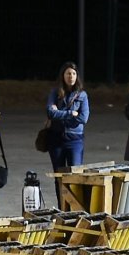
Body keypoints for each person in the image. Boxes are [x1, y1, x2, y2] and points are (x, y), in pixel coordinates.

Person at [46, 61, 90, 208]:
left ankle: (75, 208)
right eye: (68, 73)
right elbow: (50, 113)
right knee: (59, 176)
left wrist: (60, 114)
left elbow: (83, 118)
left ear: (77, 76)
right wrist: (71, 113)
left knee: (75, 176)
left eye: (73, 73)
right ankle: (62, 207)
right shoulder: (55, 93)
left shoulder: (82, 95)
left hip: (75, 140)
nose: (71, 76)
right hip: (56, 139)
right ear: (63, 76)